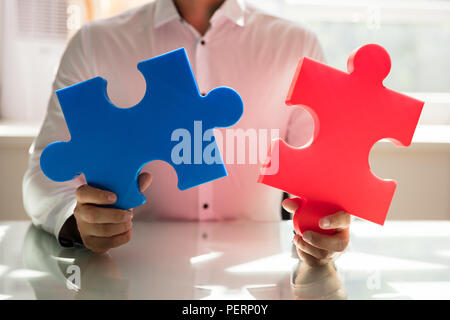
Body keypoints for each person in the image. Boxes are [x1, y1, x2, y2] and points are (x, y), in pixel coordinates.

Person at [23, 0, 351, 266]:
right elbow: (44, 173)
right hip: (132, 275)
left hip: (258, 281)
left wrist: (326, 226)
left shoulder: (298, 44)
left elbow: (323, 179)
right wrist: (76, 222)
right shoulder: (93, 44)